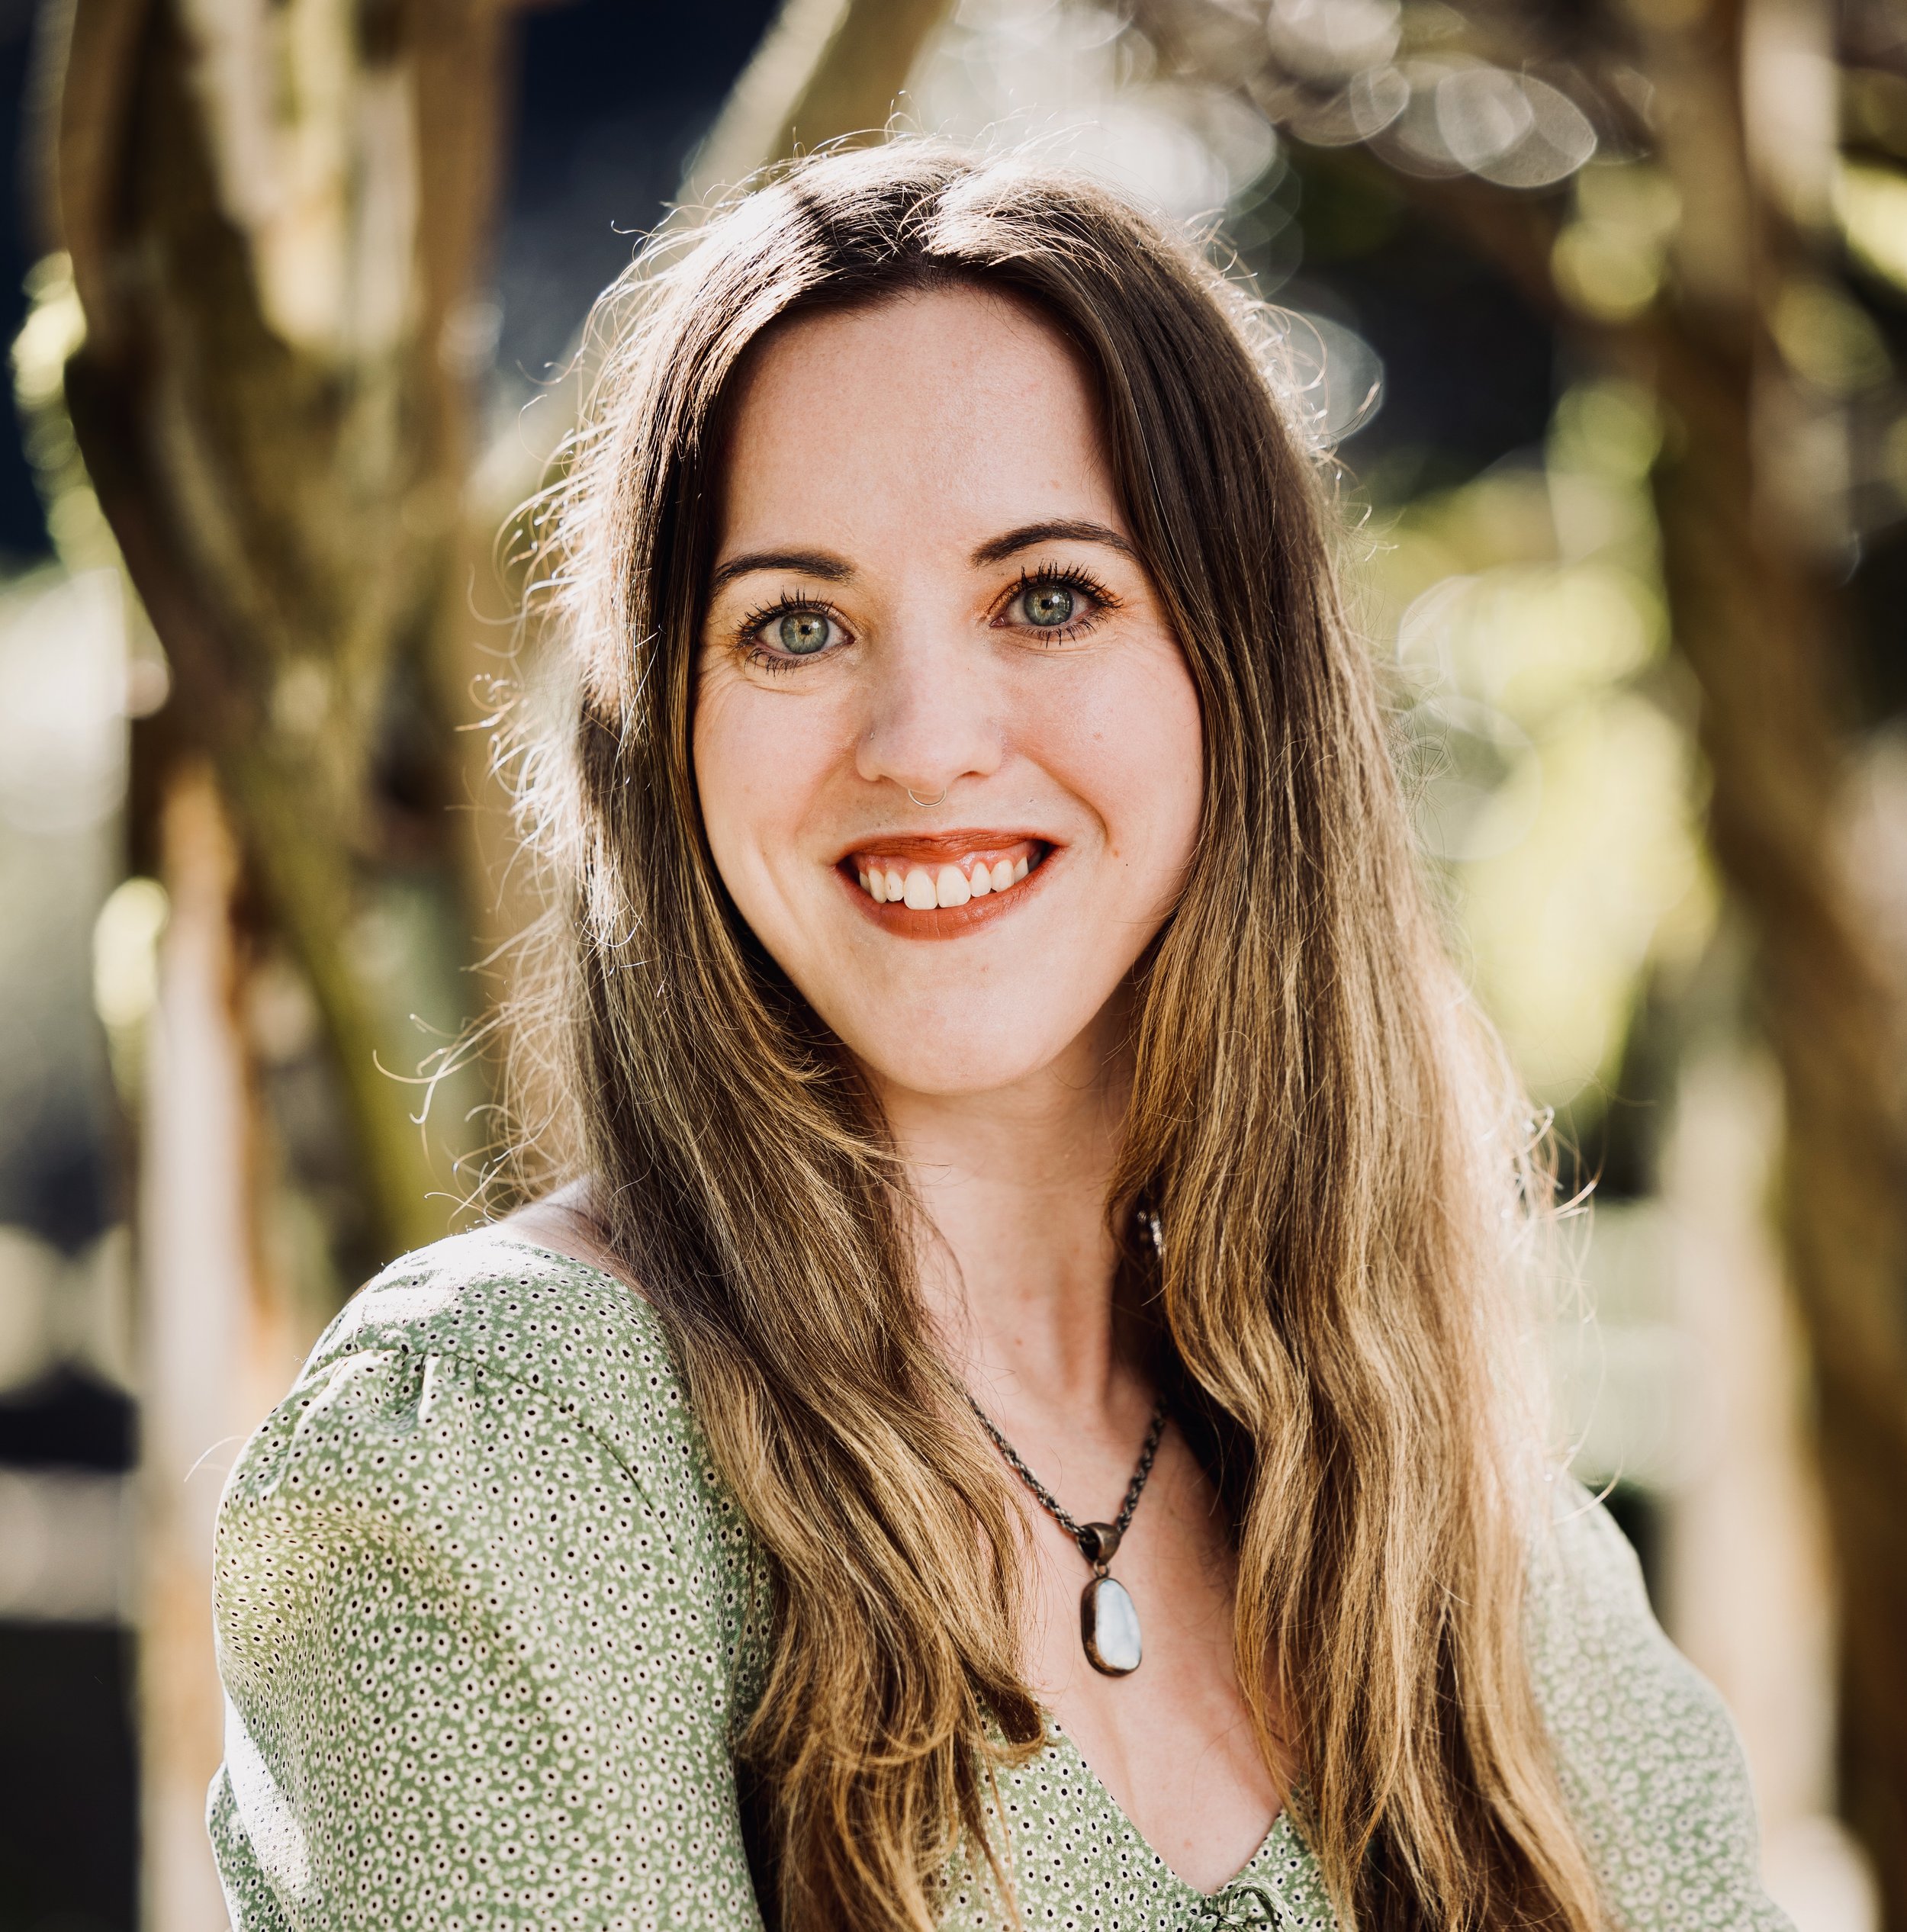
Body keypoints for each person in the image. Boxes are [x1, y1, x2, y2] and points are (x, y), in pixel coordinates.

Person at [206, 146, 1790, 1932]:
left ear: (1238, 679)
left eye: (1046, 595)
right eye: (792, 626)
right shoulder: (498, 1460)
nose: (924, 738)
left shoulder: (1483, 1554)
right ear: (668, 731)